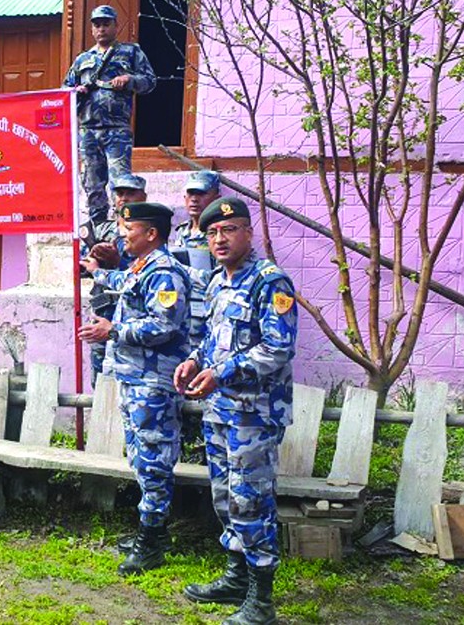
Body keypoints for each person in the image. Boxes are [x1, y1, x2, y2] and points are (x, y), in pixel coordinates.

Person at [172, 197, 298, 625]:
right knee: (226, 497)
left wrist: (221, 372)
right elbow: (212, 338)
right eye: (212, 233)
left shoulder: (270, 282)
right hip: (220, 410)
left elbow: (277, 348)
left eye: (228, 230)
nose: (219, 239)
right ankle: (235, 578)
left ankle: (261, 602)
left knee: (252, 501)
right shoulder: (217, 282)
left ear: (248, 233)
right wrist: (194, 360)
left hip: (254, 415)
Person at [80, 202, 190, 577]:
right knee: (141, 457)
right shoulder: (141, 268)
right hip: (134, 379)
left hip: (154, 382)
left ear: (151, 234)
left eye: (129, 230)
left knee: (155, 460)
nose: (123, 236)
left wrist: (112, 330)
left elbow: (164, 326)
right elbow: (123, 282)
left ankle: (152, 540)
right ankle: (152, 532)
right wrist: (97, 272)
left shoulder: (165, 273)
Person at [64, 4, 156, 227]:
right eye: (97, 25)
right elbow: (66, 89)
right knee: (92, 183)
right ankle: (98, 229)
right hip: (88, 131)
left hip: (117, 130)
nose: (101, 29)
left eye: (106, 24)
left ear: (115, 26)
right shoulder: (82, 59)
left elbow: (150, 81)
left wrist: (130, 80)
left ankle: (123, 228)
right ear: (92, 29)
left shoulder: (131, 52)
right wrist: (76, 91)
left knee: (120, 183)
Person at [80, 172, 148, 382]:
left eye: (131, 193)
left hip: (133, 314)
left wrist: (117, 262)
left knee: (132, 374)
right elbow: (80, 267)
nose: (124, 198)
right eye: (120, 193)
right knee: (101, 378)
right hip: (103, 310)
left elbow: (146, 269)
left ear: (143, 197)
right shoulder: (100, 230)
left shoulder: (148, 232)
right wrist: (94, 259)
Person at [170, 169, 221, 350]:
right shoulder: (181, 231)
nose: (194, 199)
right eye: (190, 194)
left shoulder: (219, 235)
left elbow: (221, 279)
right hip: (179, 315)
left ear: (216, 198)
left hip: (205, 317)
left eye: (201, 194)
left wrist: (178, 268)